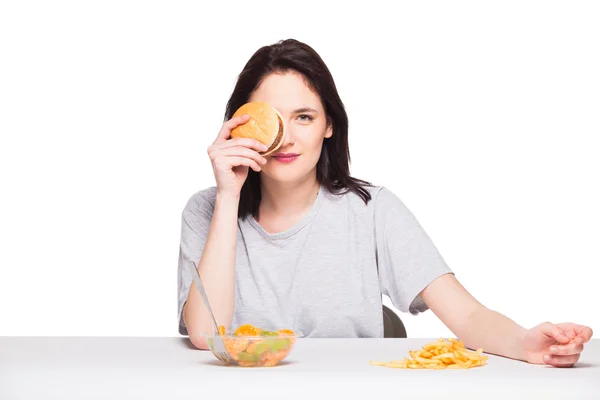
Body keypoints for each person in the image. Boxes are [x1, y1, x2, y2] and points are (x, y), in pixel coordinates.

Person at [177, 39, 592, 367]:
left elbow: (465, 316)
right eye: (272, 118)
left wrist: (526, 343)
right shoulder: (207, 210)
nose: (286, 138)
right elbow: (204, 333)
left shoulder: (372, 209)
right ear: (240, 122)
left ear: (329, 125)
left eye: (304, 117)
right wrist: (229, 195)